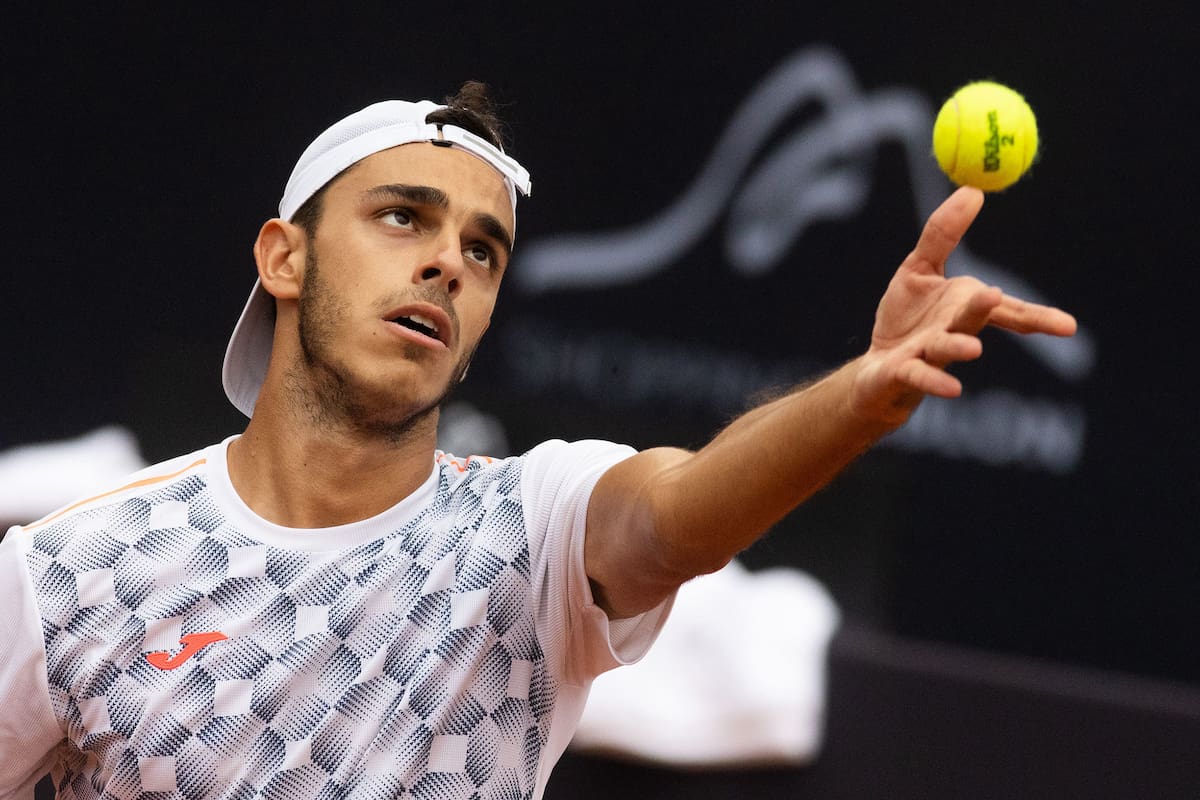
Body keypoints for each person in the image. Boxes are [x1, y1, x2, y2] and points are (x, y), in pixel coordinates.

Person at [0, 82, 1075, 800]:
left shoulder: (530, 525)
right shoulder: (67, 569)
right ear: (284, 257)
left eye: (483, 250)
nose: (447, 264)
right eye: (403, 217)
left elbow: (675, 518)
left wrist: (859, 396)